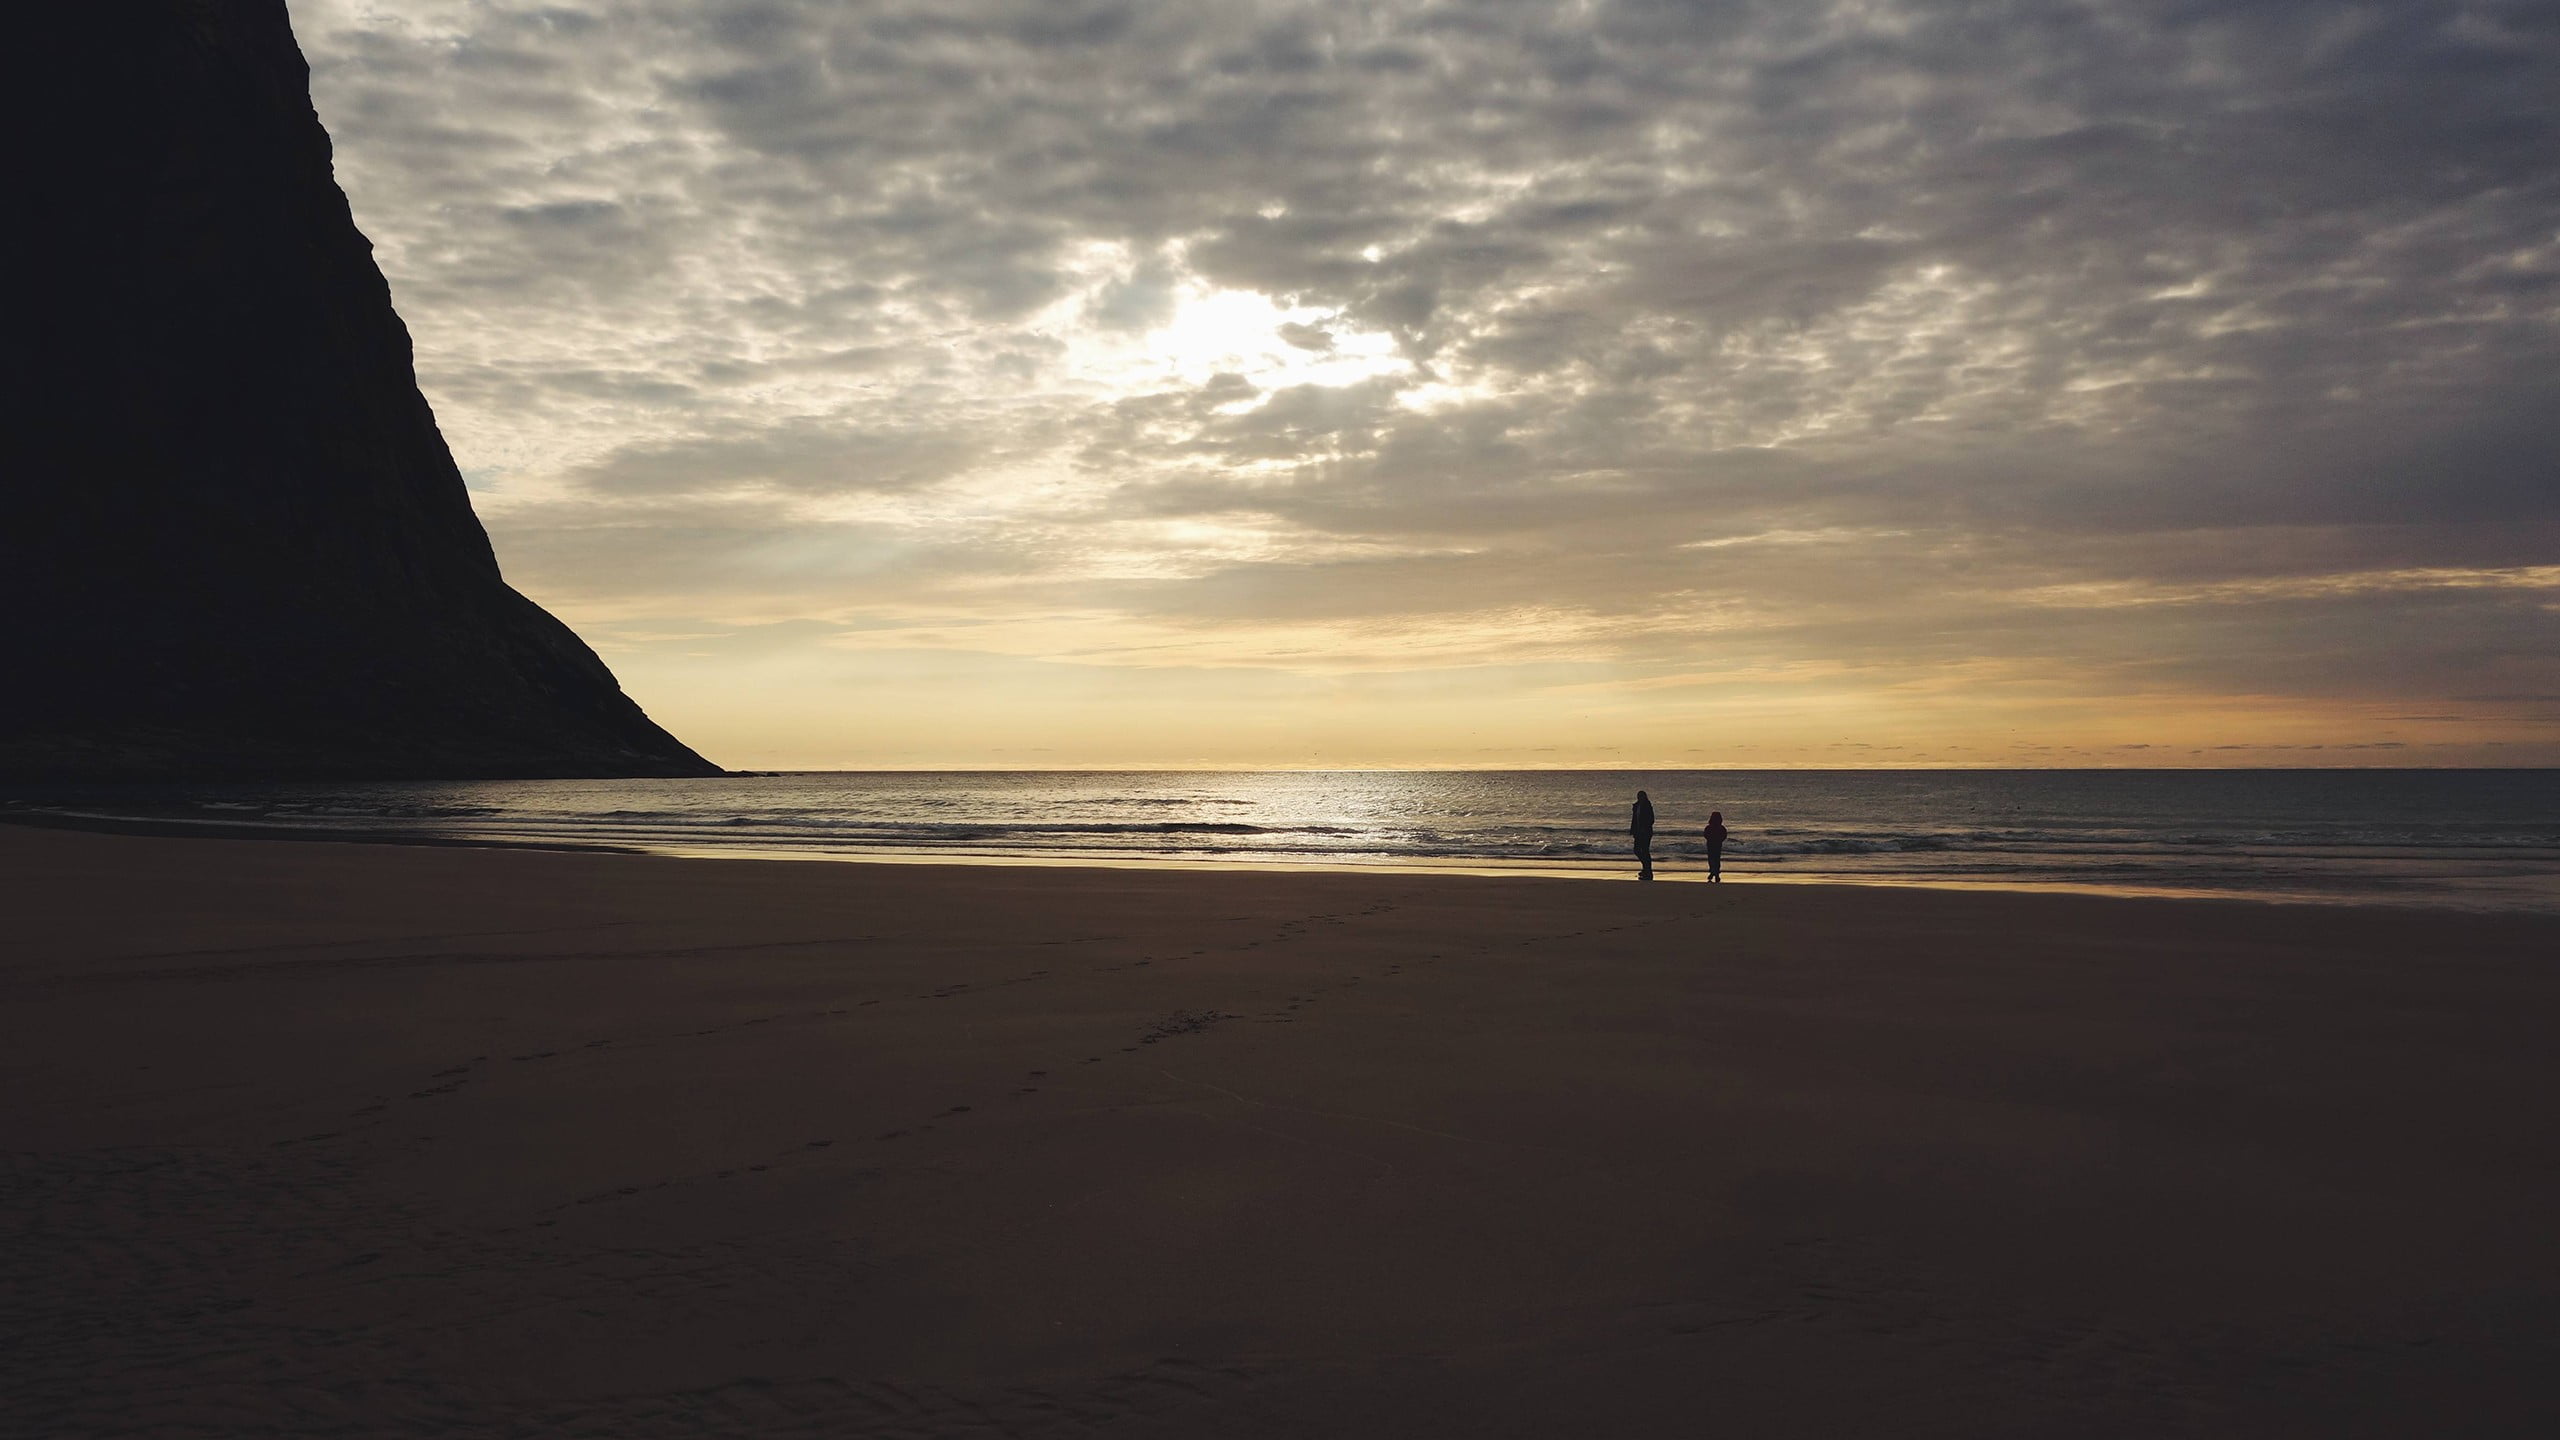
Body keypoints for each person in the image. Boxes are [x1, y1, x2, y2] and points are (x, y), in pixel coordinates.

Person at [1631, 790, 1656, 879]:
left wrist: (1644, 828)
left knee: (1645, 851)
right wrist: (1633, 831)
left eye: (1641, 796)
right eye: (1638, 796)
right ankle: (1646, 868)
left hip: (1646, 832)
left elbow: (1651, 819)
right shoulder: (1636, 806)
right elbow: (1634, 820)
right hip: (1638, 832)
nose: (1640, 798)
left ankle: (1648, 871)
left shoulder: (1647, 806)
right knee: (1637, 850)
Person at [1703, 810, 1729, 883]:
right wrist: (1720, 840)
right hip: (1718, 844)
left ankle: (1713, 872)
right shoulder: (1721, 828)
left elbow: (1705, 835)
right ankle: (1716, 873)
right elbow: (1724, 835)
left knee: (1711, 859)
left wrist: (1710, 839)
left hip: (1711, 844)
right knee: (1717, 859)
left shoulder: (1709, 827)